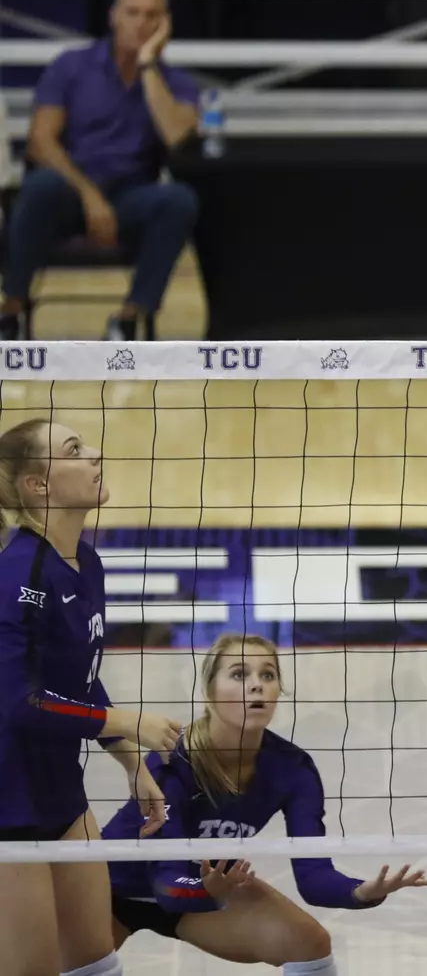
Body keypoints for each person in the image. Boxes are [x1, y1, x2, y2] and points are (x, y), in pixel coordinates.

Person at [103, 632, 427, 973]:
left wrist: (362, 891)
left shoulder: (292, 769)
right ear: (209, 692)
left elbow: (314, 876)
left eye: (268, 675)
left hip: (204, 892)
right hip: (111, 889)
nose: (257, 685)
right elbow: (166, 880)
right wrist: (208, 890)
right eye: (239, 674)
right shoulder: (173, 759)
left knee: (310, 943)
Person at [0, 417, 182, 976]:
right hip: (7, 804)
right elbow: (21, 703)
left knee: (95, 961)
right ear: (40, 486)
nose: (96, 453)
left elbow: (77, 681)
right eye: (75, 450)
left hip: (61, 794)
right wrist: (128, 720)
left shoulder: (88, 562)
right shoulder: (16, 576)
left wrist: (132, 761)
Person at [7, 0, 200, 341]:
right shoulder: (70, 66)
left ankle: (128, 318)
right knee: (40, 185)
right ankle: (11, 311)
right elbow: (40, 141)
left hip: (131, 197)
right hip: (69, 192)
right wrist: (89, 196)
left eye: (151, 16)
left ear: (164, 25)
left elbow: (176, 135)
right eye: (133, 13)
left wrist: (147, 66)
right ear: (114, 16)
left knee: (178, 200)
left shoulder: (177, 83)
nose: (141, 23)